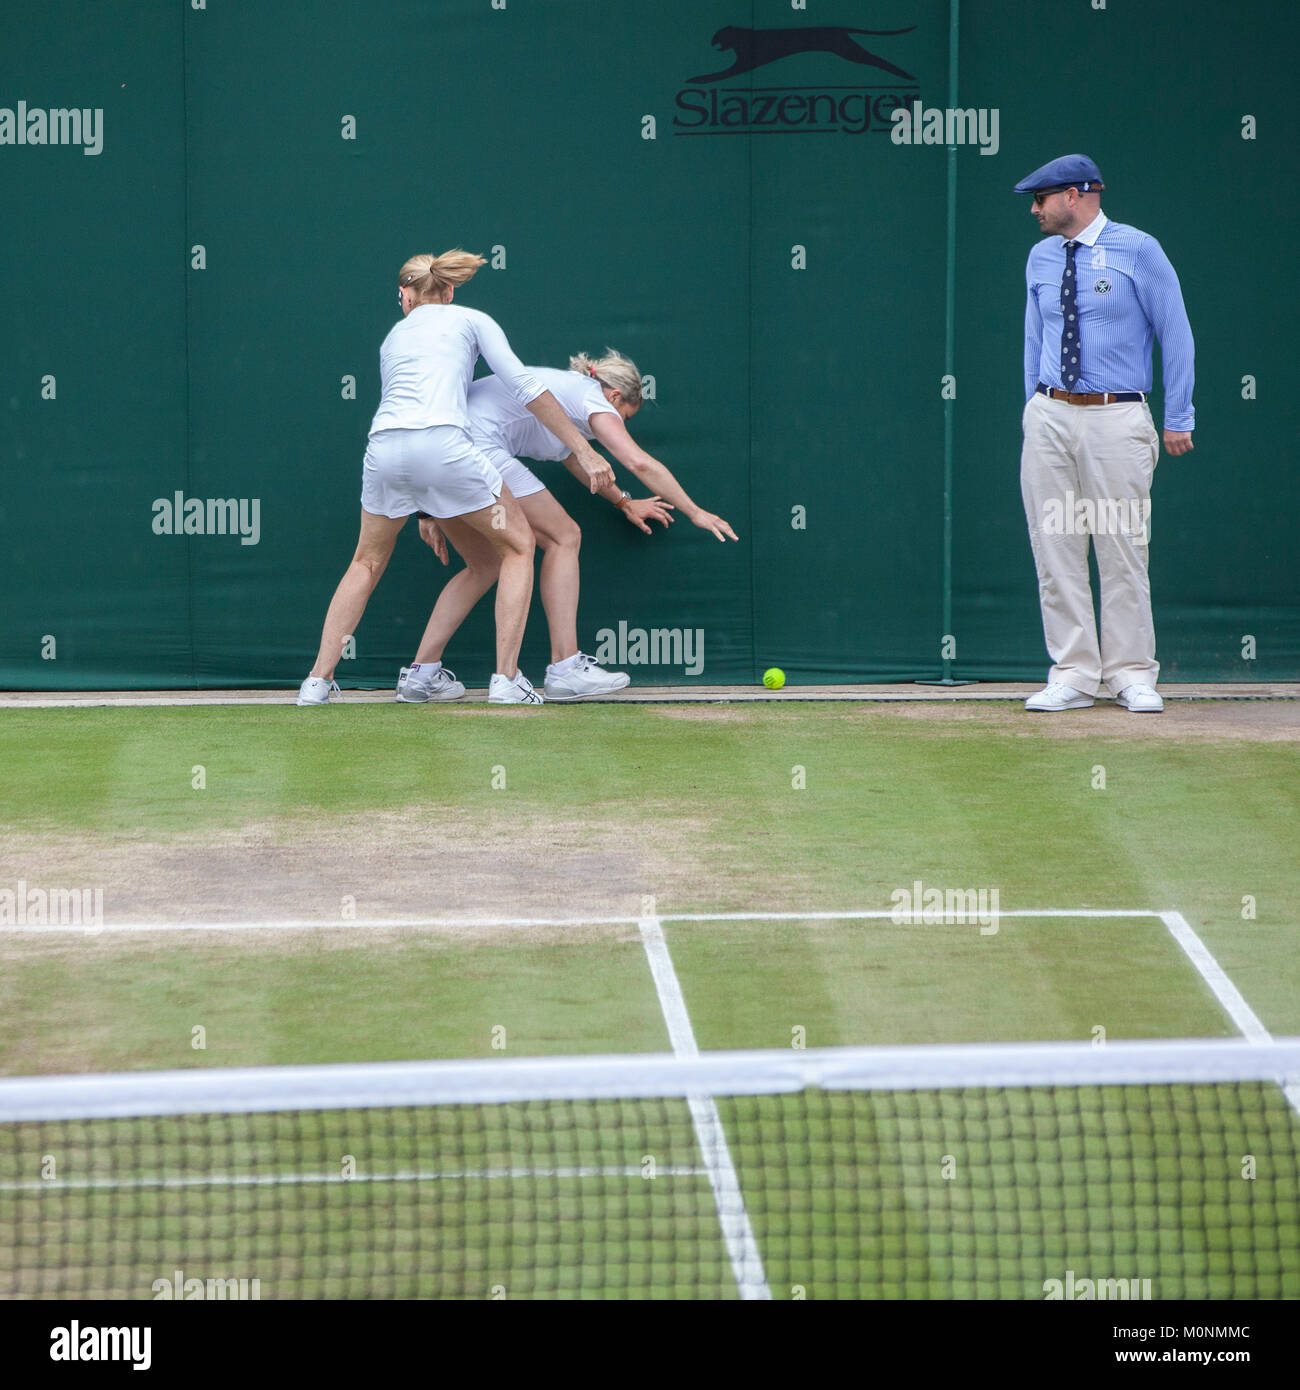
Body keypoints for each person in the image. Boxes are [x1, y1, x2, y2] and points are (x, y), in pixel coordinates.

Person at [296, 251, 614, 706]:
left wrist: (427, 505)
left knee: (365, 563)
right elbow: (525, 388)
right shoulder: (470, 319)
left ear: (404, 295)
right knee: (519, 546)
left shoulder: (393, 337)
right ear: (447, 291)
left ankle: (317, 682)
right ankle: (506, 680)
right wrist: (583, 449)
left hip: (384, 451)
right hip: (446, 448)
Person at [394, 349, 739, 703]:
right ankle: (564, 668)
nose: (619, 423)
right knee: (564, 536)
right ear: (615, 396)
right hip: (474, 449)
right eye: (624, 416)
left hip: (436, 454)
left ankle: (421, 675)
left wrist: (623, 502)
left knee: (484, 566)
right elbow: (639, 463)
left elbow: (577, 461)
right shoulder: (593, 400)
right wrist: (695, 511)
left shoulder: (565, 401)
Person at [1014, 154, 1194, 714]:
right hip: (1050, 416)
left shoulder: (1139, 249)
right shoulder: (1041, 256)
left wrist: (1178, 415)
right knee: (1055, 547)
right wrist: (1033, 410)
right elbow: (1032, 339)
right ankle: (1072, 674)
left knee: (1121, 548)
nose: (1034, 210)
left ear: (1075, 196)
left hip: (1117, 416)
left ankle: (1131, 674)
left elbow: (1175, 331)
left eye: (1040, 199)